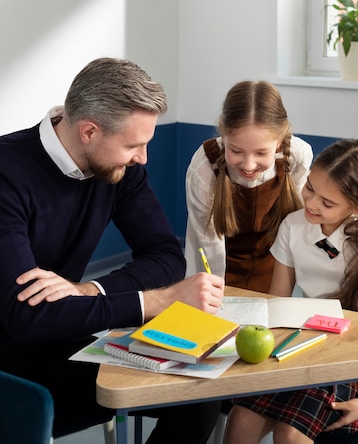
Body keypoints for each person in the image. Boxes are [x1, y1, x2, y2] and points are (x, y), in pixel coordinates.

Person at [0, 57, 224, 443]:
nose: (143, 158)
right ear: (89, 131)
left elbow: (165, 254)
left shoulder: (120, 168)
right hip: (8, 362)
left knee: (199, 390)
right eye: (133, 145)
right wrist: (154, 302)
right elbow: (24, 317)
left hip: (62, 339)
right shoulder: (6, 173)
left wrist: (91, 290)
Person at [223, 139, 358, 444]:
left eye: (327, 203)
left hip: (357, 360)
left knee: (289, 435)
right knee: (240, 421)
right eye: (310, 187)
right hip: (304, 347)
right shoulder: (293, 226)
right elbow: (278, 306)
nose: (311, 203)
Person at [184, 80, 313, 293]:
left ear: (279, 141)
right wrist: (218, 295)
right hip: (220, 266)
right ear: (223, 134)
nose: (248, 165)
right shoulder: (204, 167)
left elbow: (296, 221)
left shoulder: (298, 156)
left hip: (273, 266)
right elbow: (208, 243)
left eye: (261, 153)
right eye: (236, 151)